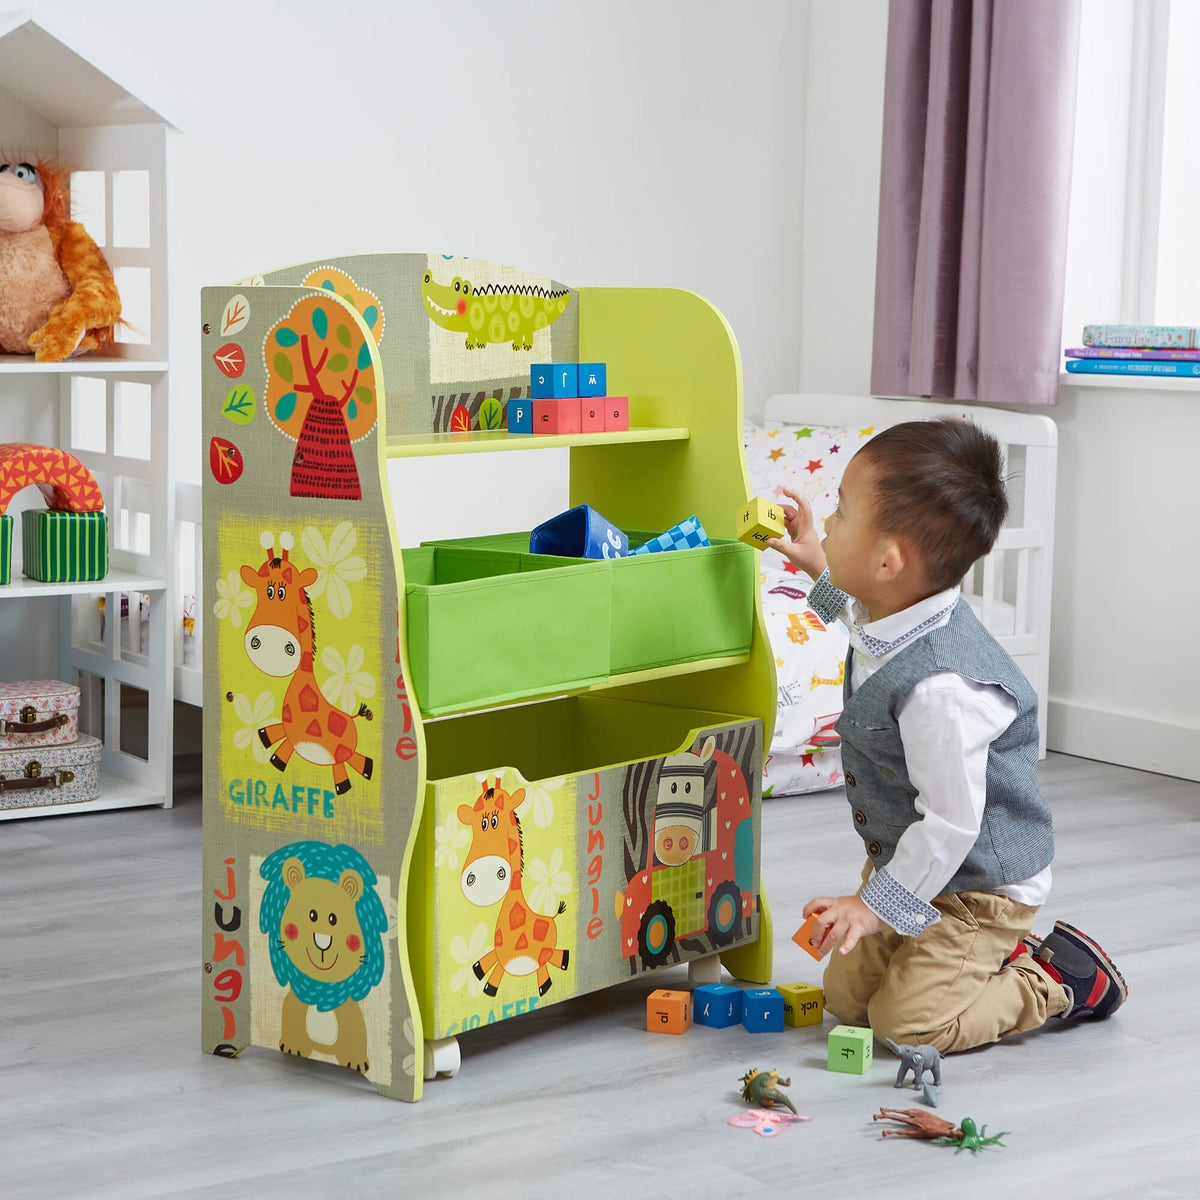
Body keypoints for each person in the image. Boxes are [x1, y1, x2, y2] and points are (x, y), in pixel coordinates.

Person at [767, 418, 1126, 1053]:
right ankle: (924, 942)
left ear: (888, 560)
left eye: (841, 515)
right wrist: (819, 566)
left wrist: (874, 909)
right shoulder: (896, 606)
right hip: (913, 863)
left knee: (905, 1027)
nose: (828, 522)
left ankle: (1052, 977)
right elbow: (857, 618)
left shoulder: (942, 692)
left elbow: (953, 826)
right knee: (847, 1006)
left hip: (980, 888)